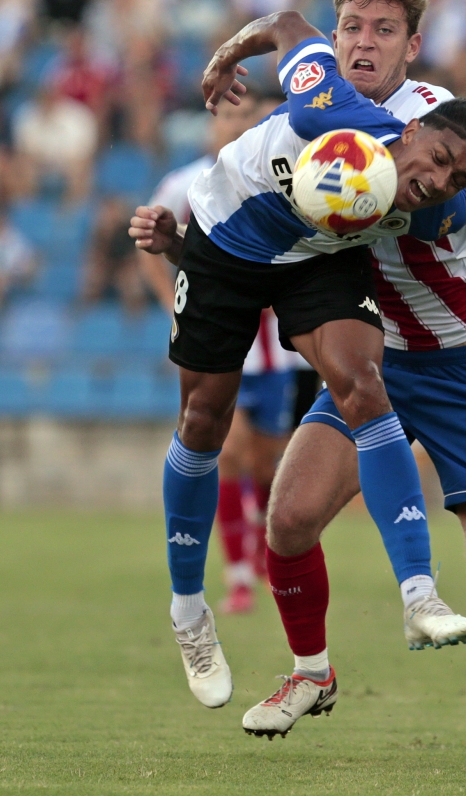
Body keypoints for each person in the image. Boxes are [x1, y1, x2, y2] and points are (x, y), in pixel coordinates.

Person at [131, 0, 466, 761]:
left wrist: (448, 192)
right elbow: (283, 45)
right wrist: (192, 235)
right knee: (290, 518)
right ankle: (312, 672)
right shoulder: (332, 105)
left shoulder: (435, 125)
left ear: (413, 46)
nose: (364, 43)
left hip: (464, 369)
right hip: (379, 352)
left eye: (384, 31)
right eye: (354, 29)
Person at [139, 92, 298, 614]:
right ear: (210, 125)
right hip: (215, 341)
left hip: (275, 351)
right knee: (225, 454)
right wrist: (173, 304)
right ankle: (238, 578)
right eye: (226, 116)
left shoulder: (278, 177)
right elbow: (150, 244)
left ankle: (261, 554)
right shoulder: (187, 182)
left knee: (268, 467)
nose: (234, 124)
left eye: (245, 117)